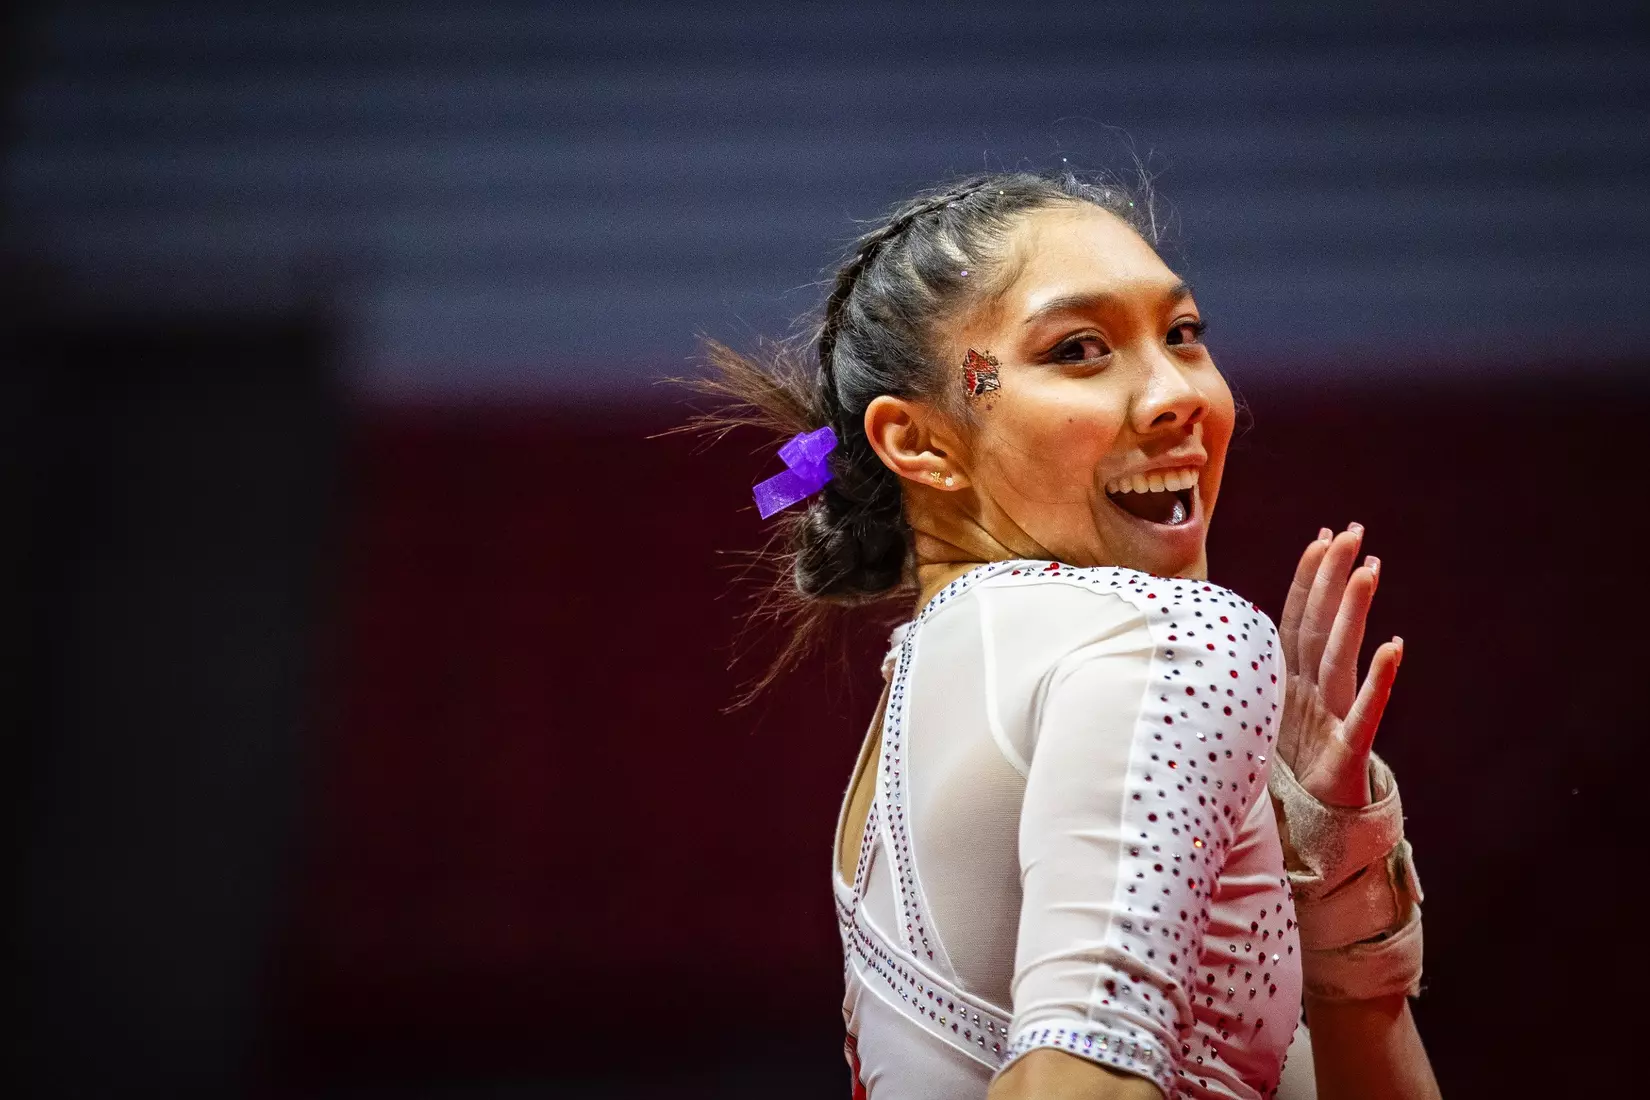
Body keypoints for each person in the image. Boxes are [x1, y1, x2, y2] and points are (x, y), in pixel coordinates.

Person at [691, 171, 1438, 1100]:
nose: (1180, 397)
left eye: (1183, 335)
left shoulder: (934, 691)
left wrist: (1340, 931)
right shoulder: (1166, 640)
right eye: (1079, 350)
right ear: (918, 443)